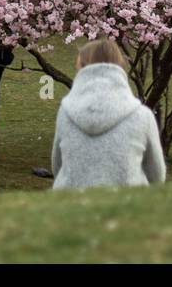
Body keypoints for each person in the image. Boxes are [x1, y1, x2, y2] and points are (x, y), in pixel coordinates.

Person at [51, 40, 166, 190]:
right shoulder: (142, 116)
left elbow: (58, 167)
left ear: (82, 69)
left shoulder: (66, 112)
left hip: (70, 205)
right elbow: (157, 176)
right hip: (127, 205)